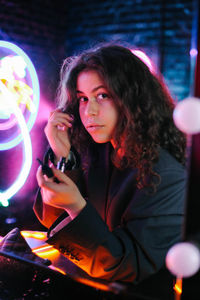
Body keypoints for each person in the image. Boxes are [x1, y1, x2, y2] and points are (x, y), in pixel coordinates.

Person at [34, 44, 187, 290]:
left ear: (132, 99)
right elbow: (52, 220)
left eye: (102, 95)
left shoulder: (168, 176)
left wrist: (75, 205)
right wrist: (65, 155)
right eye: (83, 98)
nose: (89, 111)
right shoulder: (98, 154)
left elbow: (128, 266)